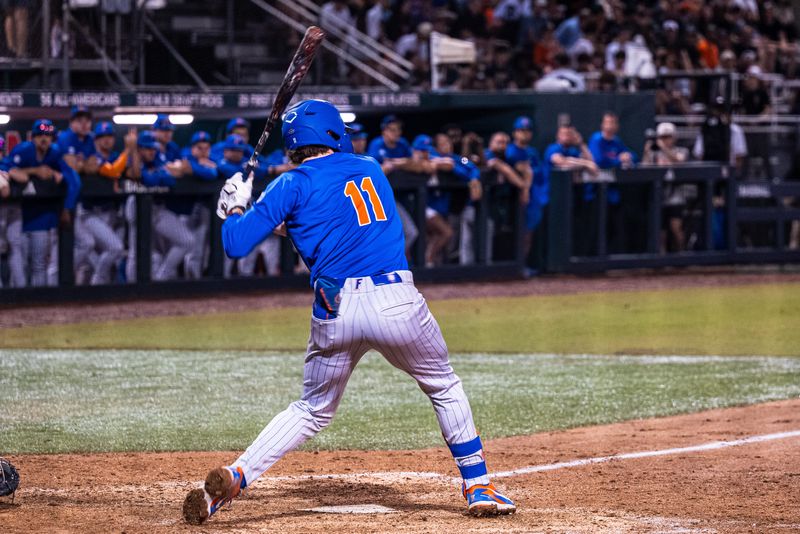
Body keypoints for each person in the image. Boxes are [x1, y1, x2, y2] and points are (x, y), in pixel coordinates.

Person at [182, 99, 515, 524]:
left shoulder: (289, 184)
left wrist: (235, 207)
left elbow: (235, 242)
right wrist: (258, 208)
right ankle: (478, 486)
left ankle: (237, 475)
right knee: (444, 386)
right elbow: (329, 220)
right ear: (333, 134)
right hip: (396, 300)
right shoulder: (369, 167)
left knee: (311, 410)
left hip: (334, 307)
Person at [3, 119, 80, 287]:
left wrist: (67, 207)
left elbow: (73, 180)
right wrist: (32, 171)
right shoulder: (23, 150)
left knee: (39, 264)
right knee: (20, 262)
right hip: (18, 216)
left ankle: (39, 299)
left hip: (42, 217)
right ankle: (17, 298)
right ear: (33, 137)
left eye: (48, 135)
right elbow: (4, 167)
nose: (44, 138)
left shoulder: (55, 153)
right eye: (40, 135)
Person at [126, 130, 194, 281]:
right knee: (136, 252)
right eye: (147, 148)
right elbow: (144, 178)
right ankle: (131, 288)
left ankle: (161, 278)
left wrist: (156, 174)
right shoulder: (131, 159)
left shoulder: (157, 158)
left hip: (157, 207)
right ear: (139, 149)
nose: (151, 151)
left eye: (153, 148)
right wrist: (159, 174)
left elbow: (170, 180)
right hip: (136, 206)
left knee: (187, 240)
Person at [74, 121, 128, 285]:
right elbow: (113, 170)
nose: (106, 140)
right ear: (96, 140)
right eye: (102, 136)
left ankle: (95, 290)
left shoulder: (115, 157)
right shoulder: (92, 157)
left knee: (101, 259)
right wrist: (128, 150)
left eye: (109, 136)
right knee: (115, 248)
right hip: (90, 213)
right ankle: (96, 284)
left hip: (111, 213)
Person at [642, 122, 691, 253]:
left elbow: (679, 161)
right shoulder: (654, 154)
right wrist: (647, 151)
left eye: (668, 137)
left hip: (676, 196)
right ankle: (662, 259)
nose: (665, 140)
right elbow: (644, 168)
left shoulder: (681, 150)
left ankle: (682, 255)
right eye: (662, 137)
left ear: (674, 137)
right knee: (660, 232)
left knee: (676, 228)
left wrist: (663, 147)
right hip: (659, 196)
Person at [57, 106, 95, 175]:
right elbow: (72, 168)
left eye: (87, 121)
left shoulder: (91, 138)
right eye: (79, 121)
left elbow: (93, 167)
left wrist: (80, 164)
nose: (84, 124)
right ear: (71, 123)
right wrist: (85, 163)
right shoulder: (64, 137)